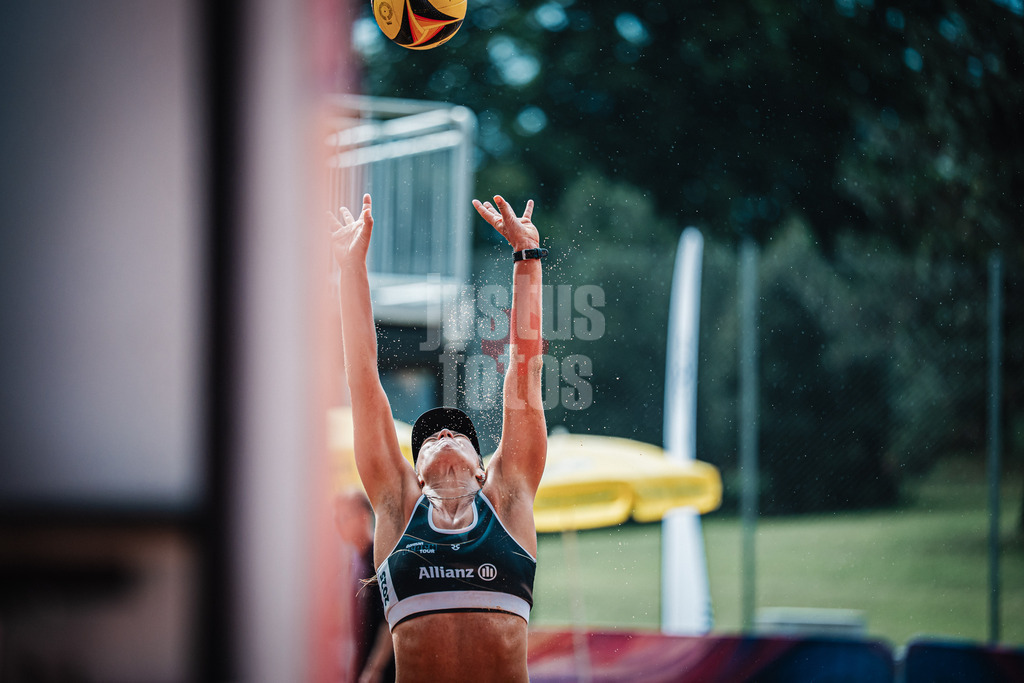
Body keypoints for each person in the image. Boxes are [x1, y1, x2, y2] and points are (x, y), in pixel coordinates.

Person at [330, 193, 547, 682]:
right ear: (416, 473)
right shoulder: (397, 503)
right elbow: (363, 378)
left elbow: (525, 371)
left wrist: (527, 259)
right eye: (428, 438)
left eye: (458, 432)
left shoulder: (508, 498)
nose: (443, 430)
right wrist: (350, 271)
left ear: (481, 467)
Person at [334, 490, 396, 683]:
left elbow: (390, 619)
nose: (339, 525)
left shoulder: (379, 559)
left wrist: (373, 670)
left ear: (363, 517)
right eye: (336, 519)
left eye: (344, 518)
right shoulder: (354, 559)